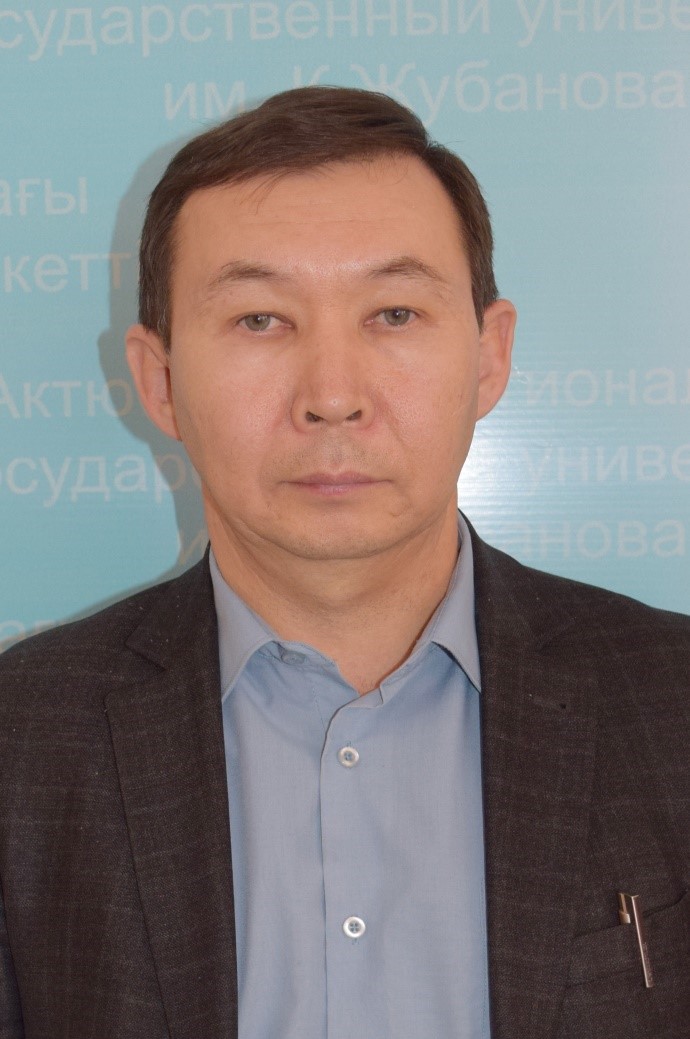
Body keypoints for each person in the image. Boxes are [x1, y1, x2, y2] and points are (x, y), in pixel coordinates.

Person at [0, 86, 688, 1039]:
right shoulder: (24, 742)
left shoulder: (670, 701)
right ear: (159, 381)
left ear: (489, 358)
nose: (331, 395)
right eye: (259, 320)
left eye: (394, 312)